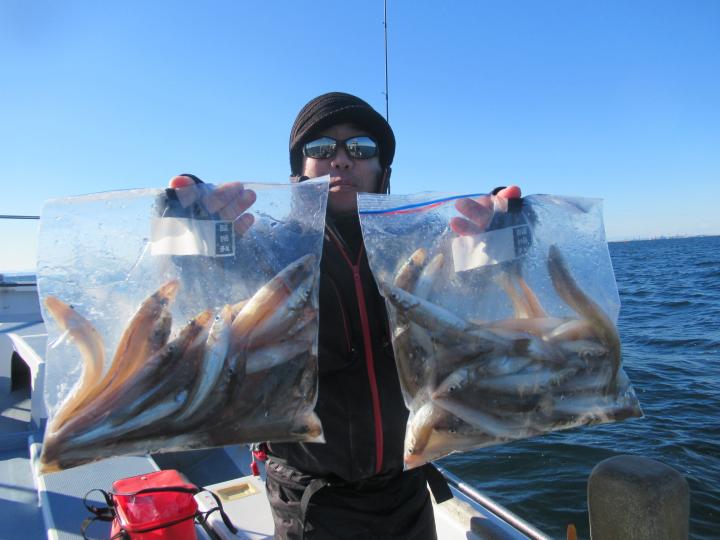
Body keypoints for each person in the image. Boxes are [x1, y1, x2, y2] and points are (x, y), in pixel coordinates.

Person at [169, 92, 520, 539]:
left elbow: (481, 293)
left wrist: (503, 234)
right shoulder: (267, 252)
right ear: (299, 171)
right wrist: (184, 227)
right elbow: (196, 293)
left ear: (383, 170)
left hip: (407, 489)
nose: (340, 159)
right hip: (309, 503)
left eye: (361, 147)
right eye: (320, 148)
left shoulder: (417, 249)